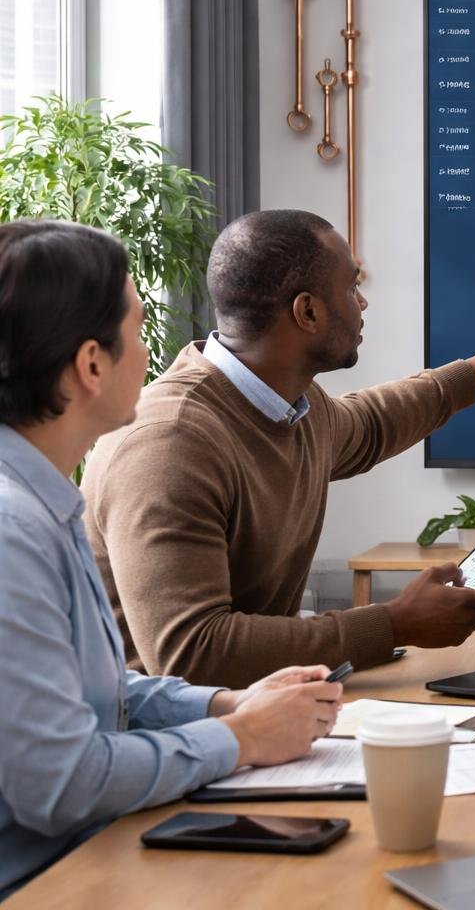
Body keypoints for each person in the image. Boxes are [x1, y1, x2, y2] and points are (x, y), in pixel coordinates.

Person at [0, 220, 341, 898]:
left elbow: (98, 697)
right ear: (90, 365)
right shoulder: (11, 534)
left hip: (97, 854)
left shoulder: (44, 501)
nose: (152, 347)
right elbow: (64, 783)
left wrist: (226, 704)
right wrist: (241, 741)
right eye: (137, 326)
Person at [82, 209, 475, 688]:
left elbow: (374, 421)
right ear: (307, 312)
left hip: (259, 714)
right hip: (160, 739)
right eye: (352, 287)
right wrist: (394, 623)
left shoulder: (293, 408)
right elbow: (191, 654)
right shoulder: (169, 444)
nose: (363, 303)